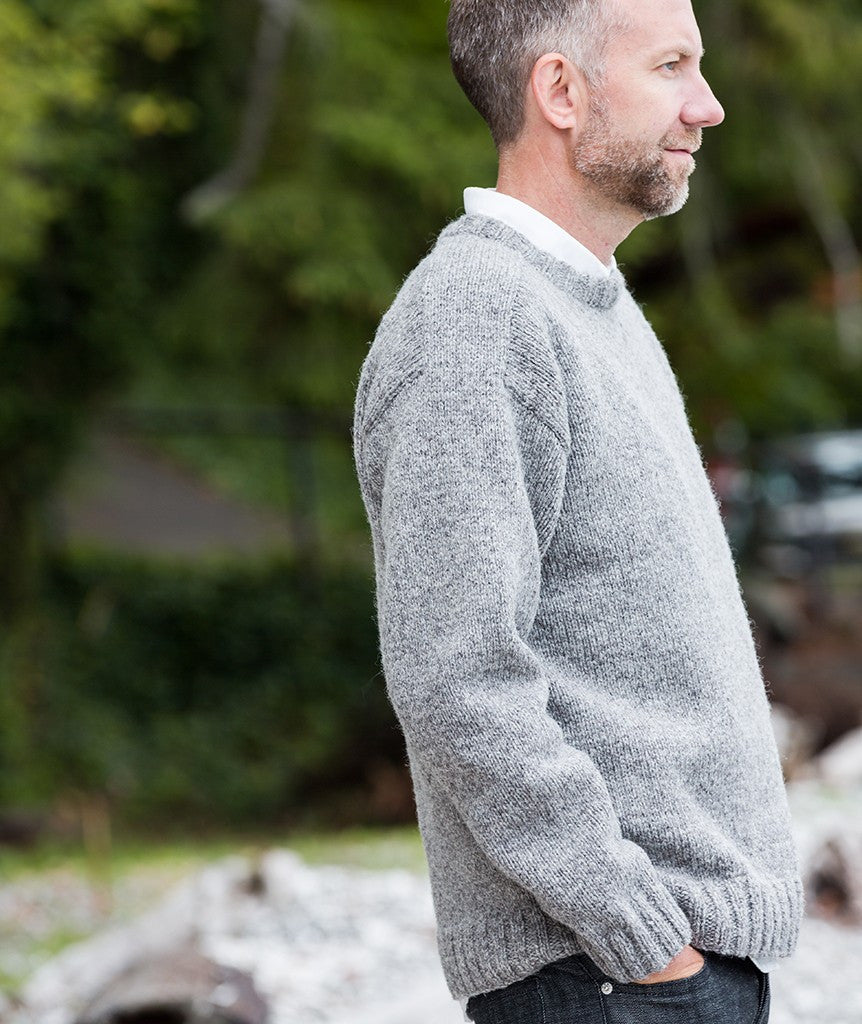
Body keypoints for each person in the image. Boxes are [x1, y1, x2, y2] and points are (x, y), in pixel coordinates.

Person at [351, 0, 804, 1021]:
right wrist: (638, 933)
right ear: (559, 91)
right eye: (673, 66)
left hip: (657, 971)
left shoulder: (588, 304)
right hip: (610, 975)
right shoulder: (474, 320)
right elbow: (455, 670)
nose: (709, 106)